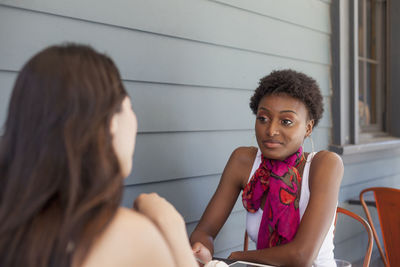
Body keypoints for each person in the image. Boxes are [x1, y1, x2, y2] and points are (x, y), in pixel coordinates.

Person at [0, 44, 198, 267]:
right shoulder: (128, 236)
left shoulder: (12, 227)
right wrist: (172, 229)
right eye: (129, 107)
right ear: (112, 122)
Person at [190, 69, 344, 267]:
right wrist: (202, 249)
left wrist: (238, 257)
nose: (271, 130)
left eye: (286, 121)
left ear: (308, 128)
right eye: (263, 118)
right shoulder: (243, 161)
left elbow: (301, 256)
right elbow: (205, 231)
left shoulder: (324, 165)